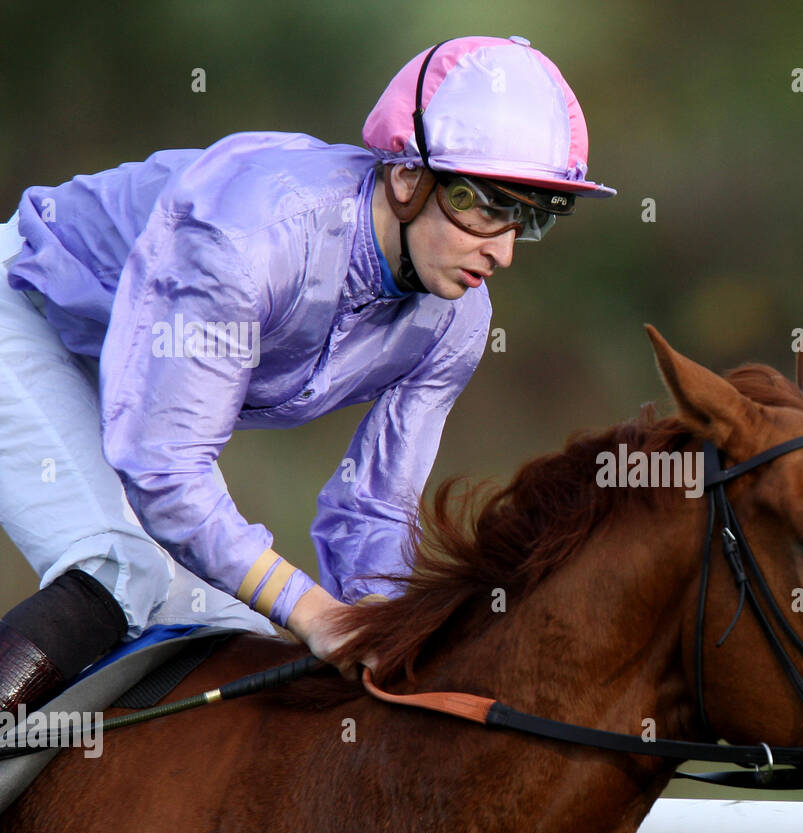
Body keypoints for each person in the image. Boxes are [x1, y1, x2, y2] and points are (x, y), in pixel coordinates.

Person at [0, 35, 616, 714]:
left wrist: (384, 632)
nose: (501, 251)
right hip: (26, 313)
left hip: (135, 369)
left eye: (530, 219)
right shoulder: (253, 238)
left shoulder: (458, 318)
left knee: (227, 633)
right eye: (488, 205)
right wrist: (311, 609)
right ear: (408, 178)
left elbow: (374, 510)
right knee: (124, 568)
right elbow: (165, 470)